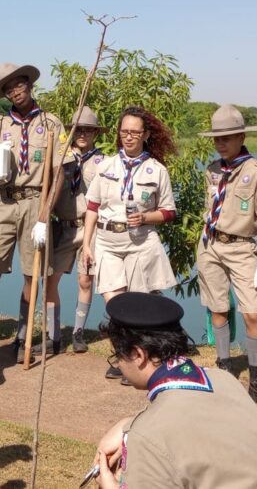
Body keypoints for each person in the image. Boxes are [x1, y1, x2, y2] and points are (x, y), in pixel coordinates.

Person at [92, 292, 257, 488]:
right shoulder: (223, 380)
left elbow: (162, 426)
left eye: (116, 355)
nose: (117, 363)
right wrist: (129, 425)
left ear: (138, 354)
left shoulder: (147, 437)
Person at [0, 63, 67, 366]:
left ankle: (22, 337)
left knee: (32, 274)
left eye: (19, 85)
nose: (15, 92)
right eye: (8, 89)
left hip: (35, 203)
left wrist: (45, 215)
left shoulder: (51, 123)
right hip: (4, 202)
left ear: (29, 85)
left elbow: (58, 174)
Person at [196, 104, 257, 411]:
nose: (221, 143)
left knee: (252, 313)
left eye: (227, 138)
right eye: (217, 138)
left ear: (241, 136)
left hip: (241, 249)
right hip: (211, 245)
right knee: (218, 308)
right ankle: (223, 369)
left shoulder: (256, 171)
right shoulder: (211, 169)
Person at [81, 106, 177, 382]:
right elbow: (92, 207)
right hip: (107, 241)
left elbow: (169, 211)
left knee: (138, 305)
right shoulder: (106, 166)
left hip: (140, 242)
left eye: (135, 132)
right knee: (115, 303)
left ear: (146, 134)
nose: (129, 137)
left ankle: (135, 362)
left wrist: (147, 216)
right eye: (124, 132)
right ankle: (125, 357)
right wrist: (87, 245)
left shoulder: (156, 170)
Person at [45, 106, 107, 353]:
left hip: (90, 228)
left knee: (85, 280)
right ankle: (53, 335)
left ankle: (79, 332)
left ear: (95, 133)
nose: (82, 134)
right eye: (78, 129)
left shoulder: (103, 161)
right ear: (71, 132)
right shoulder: (61, 158)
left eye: (88, 130)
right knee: (51, 280)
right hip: (64, 227)